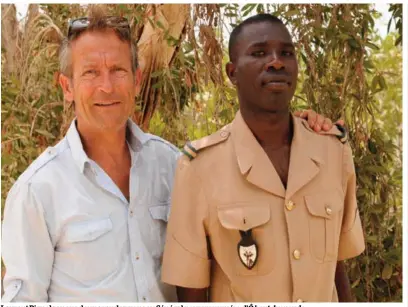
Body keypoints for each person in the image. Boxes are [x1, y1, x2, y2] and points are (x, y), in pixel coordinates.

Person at [1, 9, 342, 302]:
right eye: (90, 72)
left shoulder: (171, 165)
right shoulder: (38, 191)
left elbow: (232, 155)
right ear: (68, 87)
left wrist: (295, 129)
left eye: (118, 71)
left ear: (136, 80)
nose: (107, 86)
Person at [161, 13, 365, 303]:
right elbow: (191, 288)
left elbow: (336, 265)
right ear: (232, 73)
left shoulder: (333, 153)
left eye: (286, 53)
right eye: (259, 53)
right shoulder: (200, 168)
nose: (276, 61)